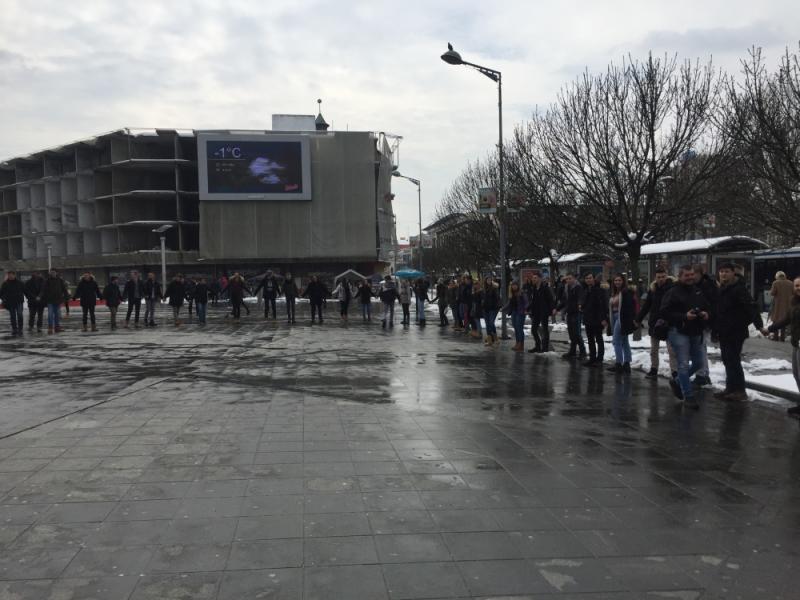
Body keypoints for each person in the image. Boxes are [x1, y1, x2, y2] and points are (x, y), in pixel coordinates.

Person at [661, 265, 713, 409]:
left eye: (691, 275)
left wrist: (705, 313)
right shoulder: (673, 292)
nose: (690, 277)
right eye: (687, 275)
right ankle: (688, 396)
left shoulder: (697, 291)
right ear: (680, 276)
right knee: (683, 364)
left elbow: (706, 306)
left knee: (698, 363)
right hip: (678, 331)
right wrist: (684, 316)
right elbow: (664, 311)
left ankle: (677, 381)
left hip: (696, 331)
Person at [713, 264, 763, 402]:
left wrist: (758, 325)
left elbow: (751, 307)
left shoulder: (739, 289)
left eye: (726, 271)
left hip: (736, 331)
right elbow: (719, 311)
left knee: (733, 360)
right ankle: (730, 388)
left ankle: (740, 390)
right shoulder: (722, 289)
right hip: (724, 331)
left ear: (733, 273)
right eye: (721, 271)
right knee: (727, 360)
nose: (723, 274)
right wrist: (715, 329)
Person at [763, 276, 800, 417]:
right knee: (797, 375)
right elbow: (786, 320)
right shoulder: (794, 303)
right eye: (796, 286)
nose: (798, 288)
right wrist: (770, 329)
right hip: (796, 344)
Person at [635, 267, 677, 379]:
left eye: (663, 276)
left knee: (672, 350)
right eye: (659, 277)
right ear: (655, 278)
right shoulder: (653, 289)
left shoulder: (673, 288)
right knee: (654, 350)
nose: (661, 279)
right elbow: (646, 306)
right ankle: (654, 369)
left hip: (669, 322)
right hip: (655, 323)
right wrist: (638, 319)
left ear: (667, 275)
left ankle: (675, 372)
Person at [692, 264, 717, 387]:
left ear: (700, 274)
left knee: (699, 348)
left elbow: (711, 304)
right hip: (699, 320)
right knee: (700, 348)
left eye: (694, 274)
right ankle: (703, 373)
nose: (692, 276)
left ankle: (702, 375)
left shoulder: (706, 286)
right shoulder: (702, 285)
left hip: (703, 321)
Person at [607, 274, 637, 374]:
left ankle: (619, 364)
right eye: (615, 280)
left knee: (616, 341)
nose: (617, 282)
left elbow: (629, 307)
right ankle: (627, 364)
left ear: (623, 281)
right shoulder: (614, 293)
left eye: (619, 280)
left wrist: (628, 320)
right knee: (624, 341)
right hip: (615, 317)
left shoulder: (626, 292)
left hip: (622, 318)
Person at [582, 273, 608, 367]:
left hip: (597, 319)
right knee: (590, 339)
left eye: (590, 278)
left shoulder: (600, 290)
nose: (588, 280)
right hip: (588, 318)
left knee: (599, 339)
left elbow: (603, 305)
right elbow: (584, 303)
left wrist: (604, 318)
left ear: (594, 279)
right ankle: (592, 358)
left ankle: (599, 359)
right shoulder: (586, 290)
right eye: (586, 278)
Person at [557, 272, 586, 359]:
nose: (568, 280)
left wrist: (580, 304)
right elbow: (564, 300)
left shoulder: (578, 287)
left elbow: (580, 298)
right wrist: (557, 308)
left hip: (577, 312)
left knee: (577, 333)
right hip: (569, 312)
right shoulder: (566, 287)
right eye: (567, 279)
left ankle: (582, 352)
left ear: (574, 279)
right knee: (571, 333)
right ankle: (572, 351)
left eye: (570, 278)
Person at [526, 271, 556, 353]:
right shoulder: (535, 288)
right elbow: (533, 301)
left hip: (544, 311)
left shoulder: (545, 287)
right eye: (533, 278)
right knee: (533, 329)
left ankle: (545, 347)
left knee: (545, 329)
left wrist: (553, 308)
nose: (533, 279)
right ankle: (538, 346)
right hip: (536, 312)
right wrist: (528, 308)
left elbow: (551, 299)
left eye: (535, 278)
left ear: (540, 278)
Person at [38, 270, 69, 334]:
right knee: (50, 314)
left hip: (58, 300)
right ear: (50, 273)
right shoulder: (47, 281)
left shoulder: (60, 280)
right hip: (50, 301)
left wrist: (67, 296)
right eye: (51, 272)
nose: (53, 274)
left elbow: (64, 289)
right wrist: (40, 296)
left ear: (56, 273)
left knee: (57, 315)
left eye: (54, 272)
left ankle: (57, 327)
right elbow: (43, 289)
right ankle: (50, 328)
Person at [769, 271, 794, 341]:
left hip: (777, 305)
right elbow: (794, 293)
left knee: (775, 321)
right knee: (784, 321)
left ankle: (775, 337)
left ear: (777, 276)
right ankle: (782, 337)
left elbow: (772, 293)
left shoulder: (775, 283)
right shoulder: (791, 283)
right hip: (787, 305)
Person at [503, 281, 527, 352]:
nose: (514, 287)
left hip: (520, 312)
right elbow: (509, 303)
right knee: (516, 327)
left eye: (515, 285)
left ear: (518, 286)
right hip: (514, 312)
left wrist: (525, 309)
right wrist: (503, 308)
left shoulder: (522, 293)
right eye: (513, 285)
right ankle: (517, 343)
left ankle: (521, 344)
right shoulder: (511, 294)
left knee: (519, 328)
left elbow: (526, 302)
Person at [0, 271, 25, 336]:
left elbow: (25, 291)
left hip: (19, 301)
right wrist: (4, 299)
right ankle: (14, 328)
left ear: (14, 275)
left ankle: (20, 328)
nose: (10, 276)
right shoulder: (5, 284)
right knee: (13, 316)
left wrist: (30, 298)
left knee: (20, 314)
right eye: (9, 275)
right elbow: (1, 293)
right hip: (10, 302)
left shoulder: (20, 283)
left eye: (11, 275)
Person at [482, 276, 501, 346]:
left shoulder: (494, 288)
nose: (489, 281)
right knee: (487, 324)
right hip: (485, 309)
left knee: (491, 323)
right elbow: (483, 298)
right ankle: (490, 340)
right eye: (487, 280)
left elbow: (497, 298)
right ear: (485, 281)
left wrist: (497, 306)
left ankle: (496, 338)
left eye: (490, 280)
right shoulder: (484, 289)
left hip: (493, 308)